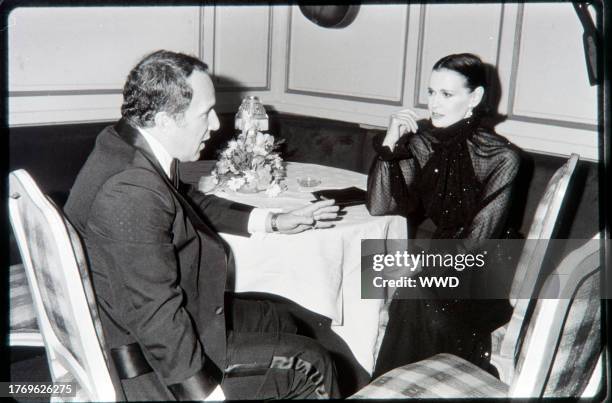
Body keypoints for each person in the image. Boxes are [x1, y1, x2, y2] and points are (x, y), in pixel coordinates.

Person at [64, 50, 342, 400]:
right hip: (147, 364)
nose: (215, 125)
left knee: (280, 319)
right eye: (204, 113)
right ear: (166, 119)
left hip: (139, 322)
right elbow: (155, 312)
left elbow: (187, 202)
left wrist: (271, 220)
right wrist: (204, 393)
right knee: (313, 364)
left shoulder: (125, 146)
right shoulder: (130, 189)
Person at [367, 53, 520, 378]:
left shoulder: (502, 157)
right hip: (442, 256)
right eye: (431, 92)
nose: (434, 104)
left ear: (475, 98)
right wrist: (390, 141)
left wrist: (420, 265)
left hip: (485, 271)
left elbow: (477, 244)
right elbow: (380, 206)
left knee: (415, 292)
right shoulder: (423, 143)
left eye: (446, 94)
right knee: (408, 289)